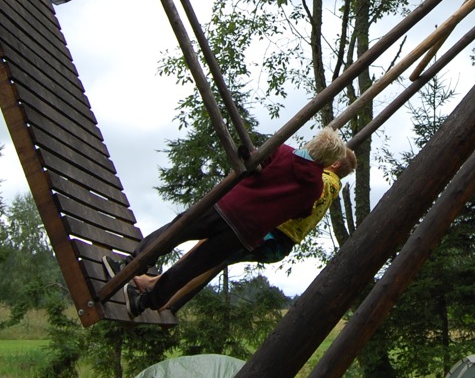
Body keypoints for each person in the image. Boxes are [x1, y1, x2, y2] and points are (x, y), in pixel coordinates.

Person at [112, 127, 351, 319]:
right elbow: (301, 212)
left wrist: (248, 156)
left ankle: (129, 266)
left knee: (174, 232)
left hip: (226, 208)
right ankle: (143, 303)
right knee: (192, 268)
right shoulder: (314, 188)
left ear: (313, 143)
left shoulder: (284, 152)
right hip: (244, 235)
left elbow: (252, 162)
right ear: (328, 160)